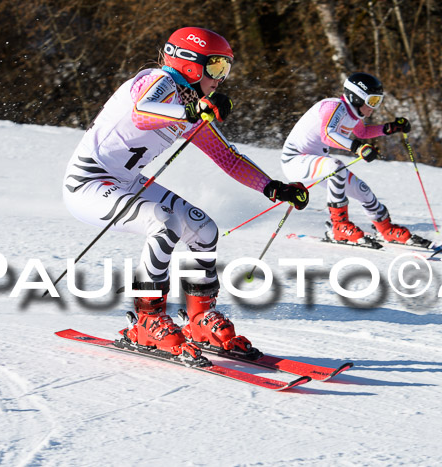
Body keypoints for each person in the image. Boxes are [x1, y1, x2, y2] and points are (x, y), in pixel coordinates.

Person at [63, 27, 308, 364]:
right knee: (163, 223)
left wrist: (273, 187)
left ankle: (200, 320)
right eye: (217, 68)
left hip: (127, 180)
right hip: (89, 182)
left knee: (203, 227)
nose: (221, 78)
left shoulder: (191, 104)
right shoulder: (157, 79)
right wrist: (193, 111)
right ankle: (148, 320)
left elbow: (227, 157)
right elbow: (142, 112)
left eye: (226, 70)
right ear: (191, 63)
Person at [281, 72, 430, 247]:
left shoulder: (353, 114)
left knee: (363, 190)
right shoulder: (334, 107)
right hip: (295, 161)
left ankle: (385, 228)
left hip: (318, 163)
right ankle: (339, 225)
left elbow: (363, 132)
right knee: (336, 167)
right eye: (372, 101)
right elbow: (328, 134)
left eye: (378, 101)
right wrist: (358, 148)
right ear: (357, 97)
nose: (374, 107)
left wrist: (390, 128)